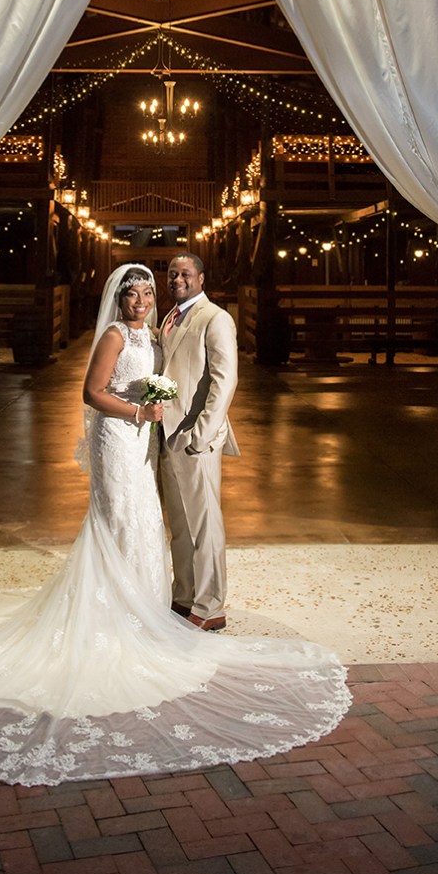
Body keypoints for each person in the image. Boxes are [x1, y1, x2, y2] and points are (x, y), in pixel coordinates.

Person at [0, 263, 350, 788]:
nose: (143, 299)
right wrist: (138, 412)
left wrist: (166, 417)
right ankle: (117, 613)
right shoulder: (114, 335)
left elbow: (208, 377)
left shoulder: (165, 328)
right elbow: (91, 392)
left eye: (149, 292)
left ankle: (153, 607)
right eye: (135, 292)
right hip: (120, 437)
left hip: (150, 442)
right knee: (119, 519)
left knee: (147, 520)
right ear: (119, 297)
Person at [159, 252, 238, 631]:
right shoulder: (169, 318)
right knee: (180, 524)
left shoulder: (215, 318)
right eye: (172, 274)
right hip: (167, 436)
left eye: (185, 274)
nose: (177, 279)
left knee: (205, 525)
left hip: (196, 438)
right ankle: (185, 595)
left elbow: (225, 380)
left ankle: (210, 606)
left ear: (201, 278)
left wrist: (201, 434)